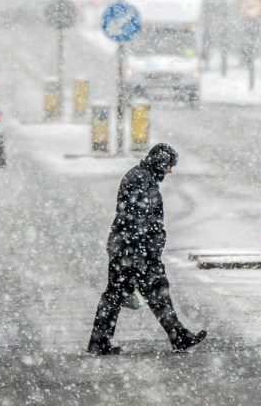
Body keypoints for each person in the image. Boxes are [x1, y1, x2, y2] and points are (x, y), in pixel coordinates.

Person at [87, 143, 207, 355]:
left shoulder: (143, 178)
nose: (171, 170)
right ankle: (177, 337)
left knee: (133, 294)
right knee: (133, 293)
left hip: (130, 250)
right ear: (161, 163)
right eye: (170, 165)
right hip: (133, 252)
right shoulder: (140, 180)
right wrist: (143, 255)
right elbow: (136, 222)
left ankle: (101, 342)